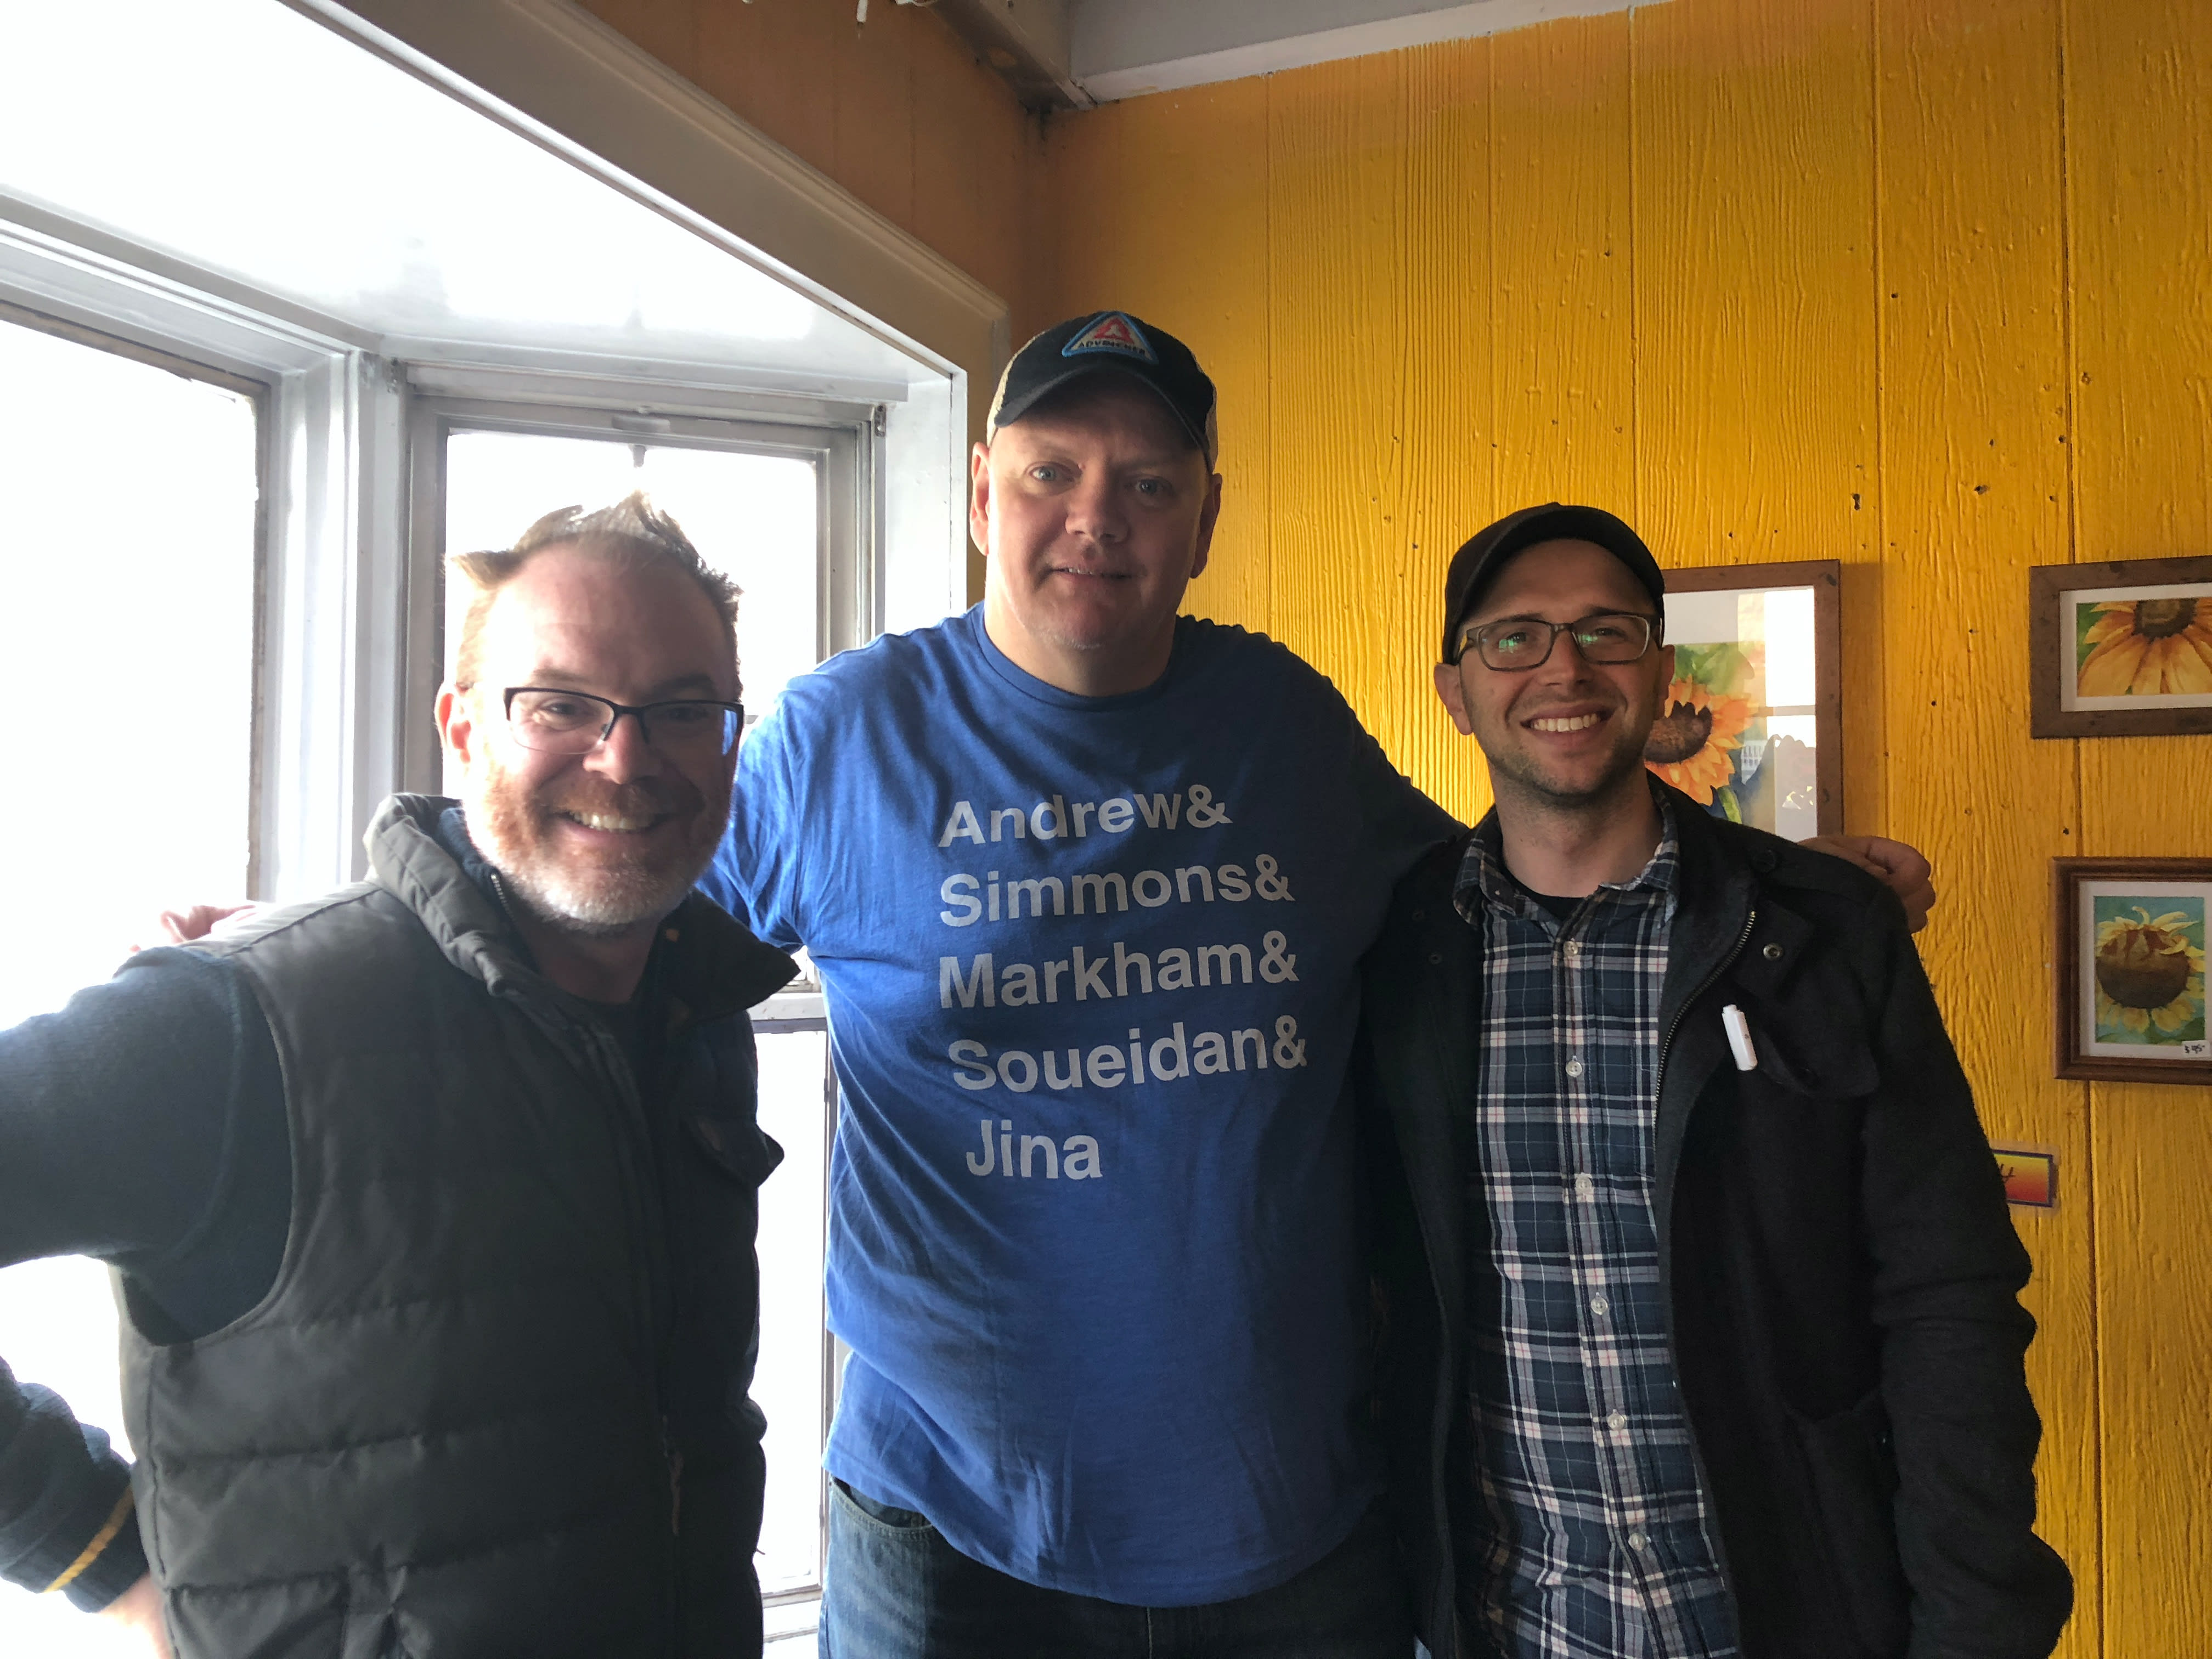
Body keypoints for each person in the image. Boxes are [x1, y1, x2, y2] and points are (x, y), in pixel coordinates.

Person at [701, 314, 1938, 1656]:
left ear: (1206, 519)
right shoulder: (840, 737)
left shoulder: (1276, 717)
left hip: (1290, 1534)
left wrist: (1767, 889)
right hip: (955, 1537)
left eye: (1150, 483)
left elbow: (1500, 897)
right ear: (984, 490)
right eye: (1053, 471)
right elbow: (635, 965)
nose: (1096, 518)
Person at [0, 496, 793, 1658]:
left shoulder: (694, 1015)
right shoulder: (234, 1025)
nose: (624, 757)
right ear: (462, 729)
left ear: (731, 740)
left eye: (682, 710)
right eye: (559, 704)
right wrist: (91, 1550)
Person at [1358, 504, 2075, 1658]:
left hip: (1794, 1607)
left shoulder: (1820, 932)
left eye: (1607, 631)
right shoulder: (1399, 949)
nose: (1565, 668)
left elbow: (1949, 1293)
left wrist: (1978, 1616)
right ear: (1456, 690)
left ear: (1660, 672)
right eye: (1515, 638)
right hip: (1505, 1620)